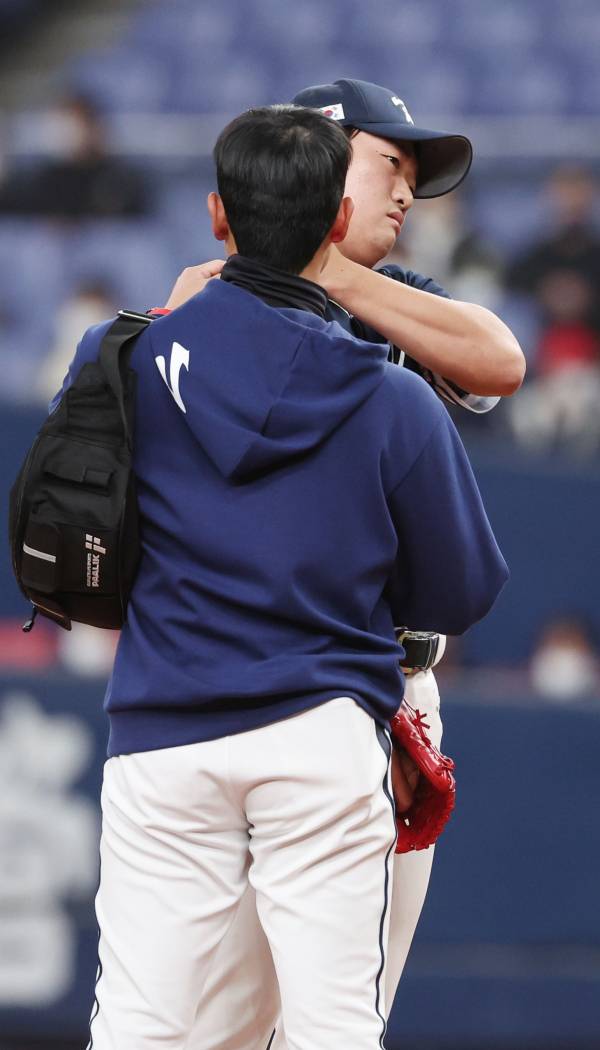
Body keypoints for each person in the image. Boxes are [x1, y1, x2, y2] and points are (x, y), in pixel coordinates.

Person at [62, 103, 508, 1048]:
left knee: (140, 1023)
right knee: (334, 1024)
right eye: (389, 165)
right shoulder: (391, 391)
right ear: (335, 220)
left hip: (164, 723)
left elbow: (63, 522)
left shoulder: (127, 353)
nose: (404, 187)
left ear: (220, 215)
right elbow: (464, 591)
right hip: (324, 721)